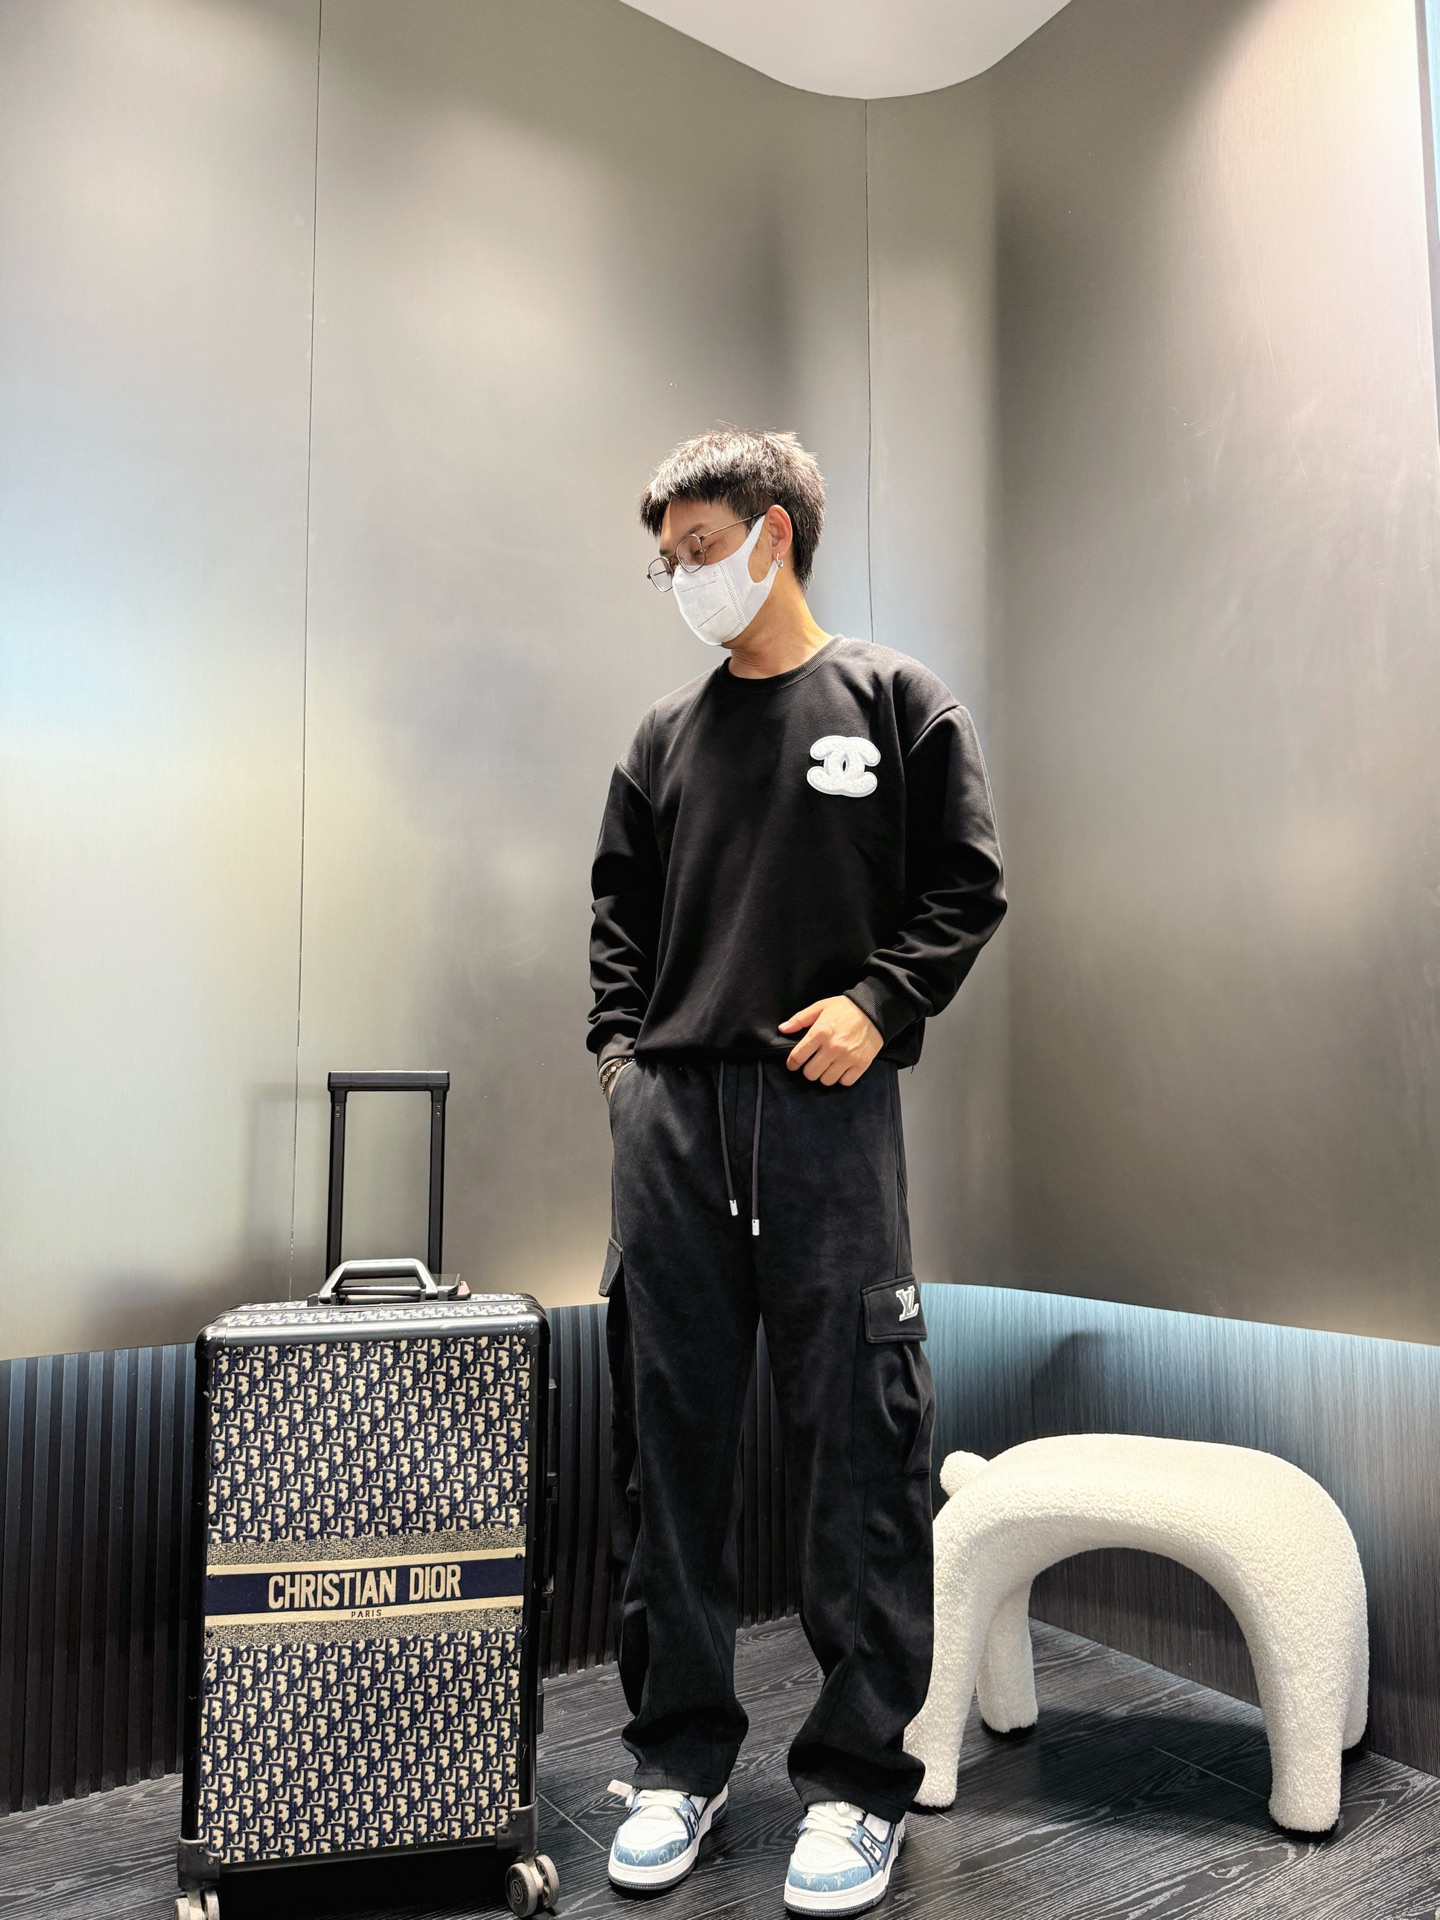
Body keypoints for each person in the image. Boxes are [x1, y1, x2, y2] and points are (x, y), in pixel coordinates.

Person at [587, 427, 1006, 1916]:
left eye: (700, 547)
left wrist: (881, 1003)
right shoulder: (662, 739)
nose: (683, 578)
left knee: (860, 1455)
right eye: (667, 561)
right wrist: (624, 1069)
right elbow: (617, 921)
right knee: (669, 1451)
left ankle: (856, 1785)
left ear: (775, 534)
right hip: (678, 1129)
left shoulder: (896, 703)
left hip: (827, 1128)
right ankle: (679, 1761)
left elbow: (968, 884)